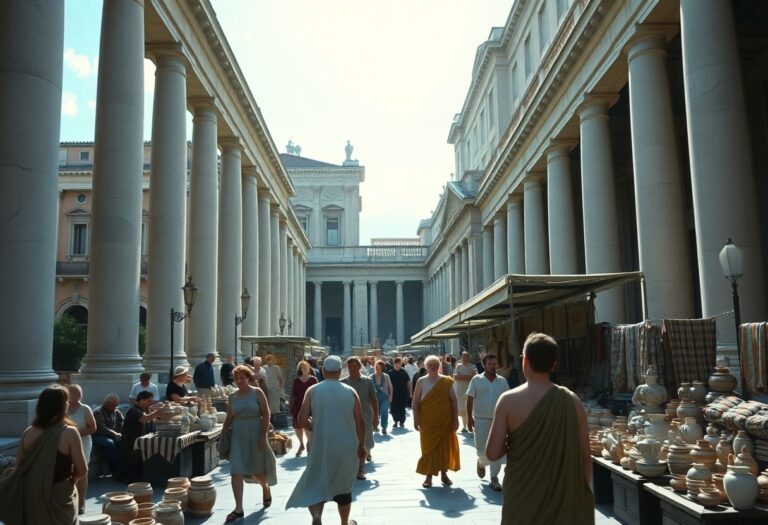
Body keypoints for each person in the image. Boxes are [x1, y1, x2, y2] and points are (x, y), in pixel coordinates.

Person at [487, 333, 594, 524]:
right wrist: (574, 495)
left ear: (525, 361)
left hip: (522, 499)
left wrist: (509, 442)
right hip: (563, 502)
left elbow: (492, 453)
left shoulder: (508, 401)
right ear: (554, 365)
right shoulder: (572, 401)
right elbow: (586, 457)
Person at [286, 355, 366, 525]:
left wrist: (313, 427)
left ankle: (316, 516)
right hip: (345, 446)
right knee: (343, 487)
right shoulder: (350, 391)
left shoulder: (312, 390)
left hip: (320, 445)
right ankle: (344, 522)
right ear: (340, 371)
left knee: (316, 482)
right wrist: (362, 445)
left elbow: (301, 419)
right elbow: (360, 421)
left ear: (323, 370)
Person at [0, 385, 87, 524]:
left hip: (32, 496)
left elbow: (19, 466)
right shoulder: (70, 433)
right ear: (63, 406)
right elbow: (82, 470)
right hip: (59, 494)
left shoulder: (28, 432)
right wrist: (71, 482)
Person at [223, 365, 278, 522]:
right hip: (238, 435)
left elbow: (266, 414)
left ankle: (265, 487)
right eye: (236, 378)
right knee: (236, 471)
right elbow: (229, 417)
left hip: (255, 433)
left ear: (248, 378)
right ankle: (238, 508)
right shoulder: (232, 396)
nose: (239, 381)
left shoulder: (257, 392)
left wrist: (263, 436)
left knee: (256, 470)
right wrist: (223, 433)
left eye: (242, 377)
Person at [412, 355, 460, 488]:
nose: (433, 367)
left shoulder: (446, 381)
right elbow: (415, 402)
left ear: (439, 366)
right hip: (427, 421)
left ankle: (444, 474)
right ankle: (428, 476)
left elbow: (454, 401)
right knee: (427, 448)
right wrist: (415, 419)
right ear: (426, 367)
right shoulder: (421, 381)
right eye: (430, 365)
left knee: (444, 447)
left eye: (435, 365)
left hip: (445, 420)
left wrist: (456, 419)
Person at [466, 353, 508, 491]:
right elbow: (470, 399)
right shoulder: (476, 380)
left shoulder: (502, 381)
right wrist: (469, 418)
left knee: (497, 448)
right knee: (481, 449)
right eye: (490, 364)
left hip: (498, 420)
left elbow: (507, 400)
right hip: (480, 419)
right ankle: (481, 462)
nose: (492, 366)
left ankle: (494, 478)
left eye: (494, 364)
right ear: (484, 365)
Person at [342, 356, 378, 478]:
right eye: (349, 366)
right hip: (348, 418)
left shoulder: (367, 381)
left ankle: (361, 469)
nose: (352, 368)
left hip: (365, 417)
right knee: (351, 442)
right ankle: (354, 465)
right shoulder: (343, 383)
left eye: (354, 365)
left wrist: (376, 417)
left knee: (364, 442)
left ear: (359, 366)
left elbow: (374, 400)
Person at [67, 384, 95, 514]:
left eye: (74, 393)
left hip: (83, 442)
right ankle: (71, 500)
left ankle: (81, 502)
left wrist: (76, 434)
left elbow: (93, 428)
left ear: (79, 395)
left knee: (82, 470)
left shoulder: (85, 409)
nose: (71, 395)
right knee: (68, 471)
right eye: (69, 393)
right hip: (67, 443)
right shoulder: (63, 408)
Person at [120, 390, 160, 482]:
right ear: (142, 400)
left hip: (140, 441)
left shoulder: (143, 410)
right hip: (130, 443)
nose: (151, 403)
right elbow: (144, 419)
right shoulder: (133, 410)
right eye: (149, 401)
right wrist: (157, 412)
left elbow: (152, 421)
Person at [92, 393, 124, 476]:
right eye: (113, 405)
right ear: (106, 403)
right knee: (110, 444)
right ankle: (114, 470)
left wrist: (123, 433)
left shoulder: (116, 411)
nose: (115, 407)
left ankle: (124, 467)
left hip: (112, 436)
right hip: (98, 436)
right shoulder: (98, 412)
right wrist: (115, 434)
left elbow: (122, 424)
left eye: (116, 405)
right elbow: (101, 428)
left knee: (123, 442)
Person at [291, 360, 318, 455]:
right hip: (298, 405)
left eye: (307, 367)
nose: (305, 369)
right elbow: (293, 394)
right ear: (300, 369)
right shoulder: (296, 380)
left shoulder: (313, 379)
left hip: (310, 405)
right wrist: (290, 406)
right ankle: (301, 444)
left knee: (308, 426)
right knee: (297, 427)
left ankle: (309, 443)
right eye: (303, 367)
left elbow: (317, 393)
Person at [453, 351, 477, 433]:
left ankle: (473, 425)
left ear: (469, 357)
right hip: (460, 390)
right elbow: (455, 376)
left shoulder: (473, 366)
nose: (464, 358)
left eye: (466, 356)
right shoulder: (458, 366)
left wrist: (464, 377)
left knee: (472, 408)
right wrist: (466, 377)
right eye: (463, 356)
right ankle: (464, 427)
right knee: (462, 409)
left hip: (470, 390)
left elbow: (475, 376)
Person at [387, 357, 411, 428]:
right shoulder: (390, 373)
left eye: (400, 363)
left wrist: (410, 392)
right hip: (393, 394)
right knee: (393, 408)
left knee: (402, 408)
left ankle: (401, 421)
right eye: (397, 363)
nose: (398, 365)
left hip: (403, 393)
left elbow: (408, 382)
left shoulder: (404, 372)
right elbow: (388, 384)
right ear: (394, 364)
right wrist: (388, 393)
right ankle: (395, 421)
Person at [372, 360, 393, 435]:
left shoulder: (386, 376)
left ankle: (384, 427)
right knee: (375, 413)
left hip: (385, 397)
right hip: (374, 397)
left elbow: (390, 386)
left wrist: (391, 396)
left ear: (383, 368)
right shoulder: (371, 377)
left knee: (384, 411)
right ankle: (375, 426)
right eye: (377, 367)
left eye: (380, 367)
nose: (378, 368)